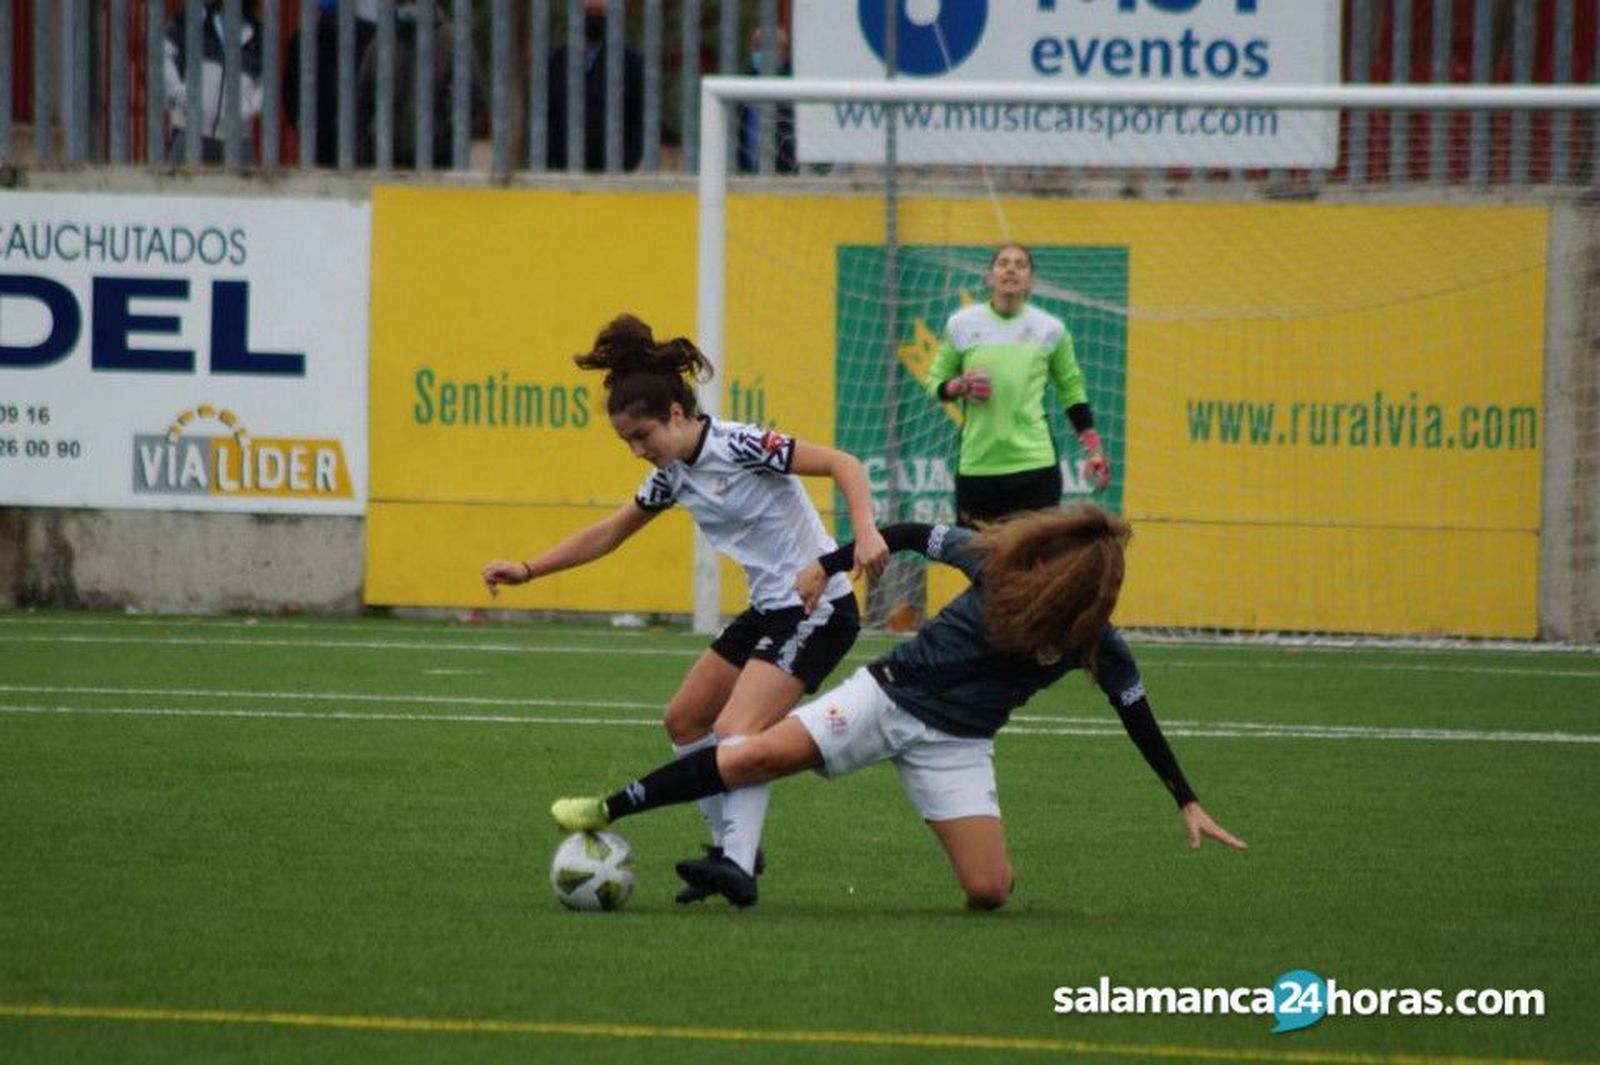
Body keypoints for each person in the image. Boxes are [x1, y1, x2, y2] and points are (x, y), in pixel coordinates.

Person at [551, 504, 1246, 910]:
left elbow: (1136, 712)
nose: (1037, 567)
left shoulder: (1093, 641)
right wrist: (833, 562)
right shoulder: (992, 561)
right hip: (882, 699)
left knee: (989, 891)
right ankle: (608, 808)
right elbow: (911, 532)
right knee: (749, 754)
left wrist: (1185, 797)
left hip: (958, 745)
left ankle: (984, 855)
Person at [483, 314, 888, 904]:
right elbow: (609, 532)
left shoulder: (741, 445)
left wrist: (868, 531)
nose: (638, 451)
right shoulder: (672, 475)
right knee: (685, 721)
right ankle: (733, 837)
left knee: (736, 731)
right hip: (768, 610)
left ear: (677, 414)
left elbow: (843, 463)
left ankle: (737, 863)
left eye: (642, 436)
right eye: (627, 442)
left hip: (817, 606)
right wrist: (528, 569)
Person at [928, 243, 1111, 527]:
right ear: (990, 277)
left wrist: (1094, 449)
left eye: (1020, 264)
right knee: (980, 564)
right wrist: (957, 386)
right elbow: (935, 381)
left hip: (1034, 466)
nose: (1011, 268)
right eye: (1003, 263)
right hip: (978, 465)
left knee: (1034, 566)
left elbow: (1072, 390)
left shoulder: (1051, 330)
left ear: (1031, 281)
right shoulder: (961, 324)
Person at [546, 0, 645, 171]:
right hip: (564, 171)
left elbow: (639, 117)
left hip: (614, 174)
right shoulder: (557, 61)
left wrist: (628, 162)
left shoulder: (631, 63)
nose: (593, 17)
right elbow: (549, 115)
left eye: (599, 12)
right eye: (588, 11)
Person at [163, 0, 265, 164]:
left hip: (238, 140)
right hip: (189, 131)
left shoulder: (259, 35)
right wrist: (177, 90)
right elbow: (164, 53)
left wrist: (250, 108)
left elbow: (267, 82)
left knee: (239, 189)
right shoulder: (194, 19)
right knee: (180, 188)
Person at [736, 26, 797, 175]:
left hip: (787, 177)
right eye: (758, 47)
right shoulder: (739, 88)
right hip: (745, 175)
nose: (763, 53)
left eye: (772, 47)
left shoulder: (796, 87)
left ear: (785, 53)